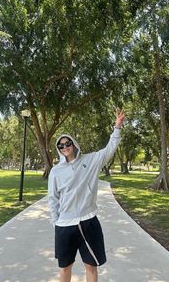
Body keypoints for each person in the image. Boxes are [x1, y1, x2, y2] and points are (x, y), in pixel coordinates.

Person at [48, 109, 125, 282]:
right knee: (65, 267)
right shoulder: (55, 171)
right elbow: (53, 198)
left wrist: (117, 127)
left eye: (67, 143)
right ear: (58, 149)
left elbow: (109, 149)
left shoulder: (90, 160)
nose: (65, 147)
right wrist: (55, 221)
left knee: (91, 266)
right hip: (64, 225)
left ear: (74, 144)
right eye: (61, 145)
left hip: (88, 221)